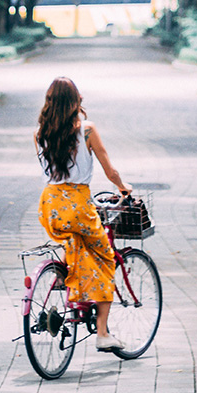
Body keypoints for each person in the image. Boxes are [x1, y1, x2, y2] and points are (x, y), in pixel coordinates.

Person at [34, 76, 132, 353]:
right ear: (77, 101)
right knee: (105, 258)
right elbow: (109, 170)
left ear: (49, 102)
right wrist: (123, 187)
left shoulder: (39, 133)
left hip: (50, 204)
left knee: (75, 244)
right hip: (77, 203)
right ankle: (102, 333)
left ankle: (67, 281)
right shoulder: (86, 130)